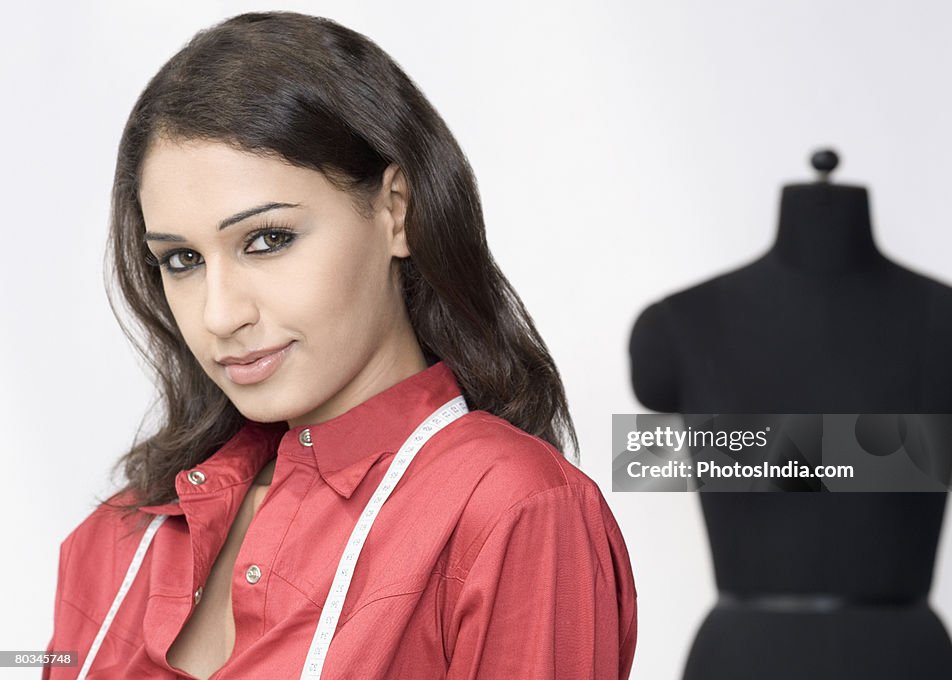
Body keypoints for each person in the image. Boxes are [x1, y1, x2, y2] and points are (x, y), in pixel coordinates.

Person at [44, 11, 637, 680]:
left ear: (396, 212)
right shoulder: (118, 537)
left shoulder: (510, 509)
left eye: (268, 239)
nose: (220, 314)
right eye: (181, 259)